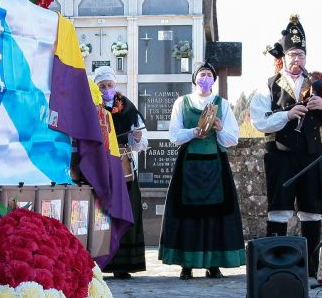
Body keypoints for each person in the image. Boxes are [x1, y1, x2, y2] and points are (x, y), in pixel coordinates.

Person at [250, 15, 322, 276]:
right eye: (293, 54)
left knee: (312, 212)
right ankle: (277, 265)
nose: (298, 60)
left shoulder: (319, 82)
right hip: (280, 157)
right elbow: (259, 121)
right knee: (279, 210)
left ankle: (311, 268)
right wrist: (286, 115)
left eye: (301, 55)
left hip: (312, 157)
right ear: (284, 57)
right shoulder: (268, 86)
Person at [158, 61, 245, 279]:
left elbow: (232, 138)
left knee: (215, 215)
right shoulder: (182, 102)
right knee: (187, 215)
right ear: (195, 78)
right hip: (189, 166)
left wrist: (220, 127)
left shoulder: (222, 104)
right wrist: (192, 132)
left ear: (213, 80)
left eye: (209, 74)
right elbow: (174, 135)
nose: (205, 78)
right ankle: (186, 265)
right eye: (202, 74)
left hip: (215, 164)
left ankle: (213, 264)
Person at [93, 66, 148, 279]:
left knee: (126, 209)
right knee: (103, 212)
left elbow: (141, 141)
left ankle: (123, 264)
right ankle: (99, 261)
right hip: (100, 166)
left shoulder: (127, 107)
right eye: (102, 86)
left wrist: (134, 137)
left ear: (115, 86)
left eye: (110, 85)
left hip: (123, 165)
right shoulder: (92, 107)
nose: (107, 89)